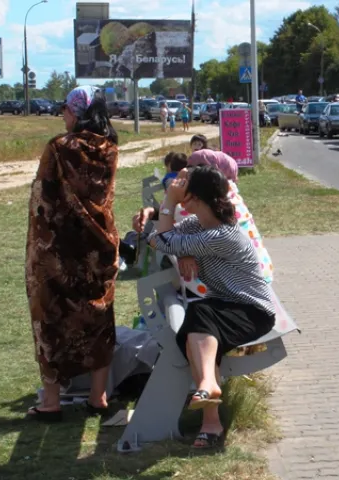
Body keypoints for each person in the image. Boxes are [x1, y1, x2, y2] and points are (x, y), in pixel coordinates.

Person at [148, 166, 275, 448]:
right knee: (200, 323)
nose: (178, 187)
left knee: (200, 315)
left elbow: (162, 240)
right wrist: (184, 250)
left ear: (195, 196)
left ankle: (209, 400)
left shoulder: (223, 235)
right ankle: (209, 401)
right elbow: (161, 240)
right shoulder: (200, 225)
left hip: (253, 310)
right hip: (226, 306)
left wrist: (169, 202)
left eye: (184, 186)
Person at [25, 85, 120, 422]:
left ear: (78, 112)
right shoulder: (111, 149)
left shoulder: (59, 147)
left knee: (50, 320)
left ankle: (51, 402)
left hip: (58, 250)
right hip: (99, 247)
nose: (62, 114)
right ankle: (98, 397)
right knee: (98, 318)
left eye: (66, 108)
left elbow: (44, 197)